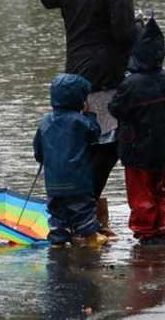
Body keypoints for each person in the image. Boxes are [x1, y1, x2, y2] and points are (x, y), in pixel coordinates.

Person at [39, 0, 138, 237]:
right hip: (106, 82)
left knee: (79, 147)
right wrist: (142, 26)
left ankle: (77, 212)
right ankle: (86, 209)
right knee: (108, 148)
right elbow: (124, 35)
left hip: (75, 81)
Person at [108, 17, 165, 243]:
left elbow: (115, 108)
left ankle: (145, 231)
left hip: (136, 148)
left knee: (141, 192)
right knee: (164, 189)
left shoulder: (130, 84)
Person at [33, 73, 108, 248]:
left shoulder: (44, 122)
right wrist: (90, 115)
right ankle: (90, 237)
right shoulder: (81, 121)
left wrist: (42, 158)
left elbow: (38, 149)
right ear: (79, 99)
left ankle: (58, 240)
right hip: (78, 179)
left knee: (57, 211)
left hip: (53, 182)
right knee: (82, 208)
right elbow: (94, 135)